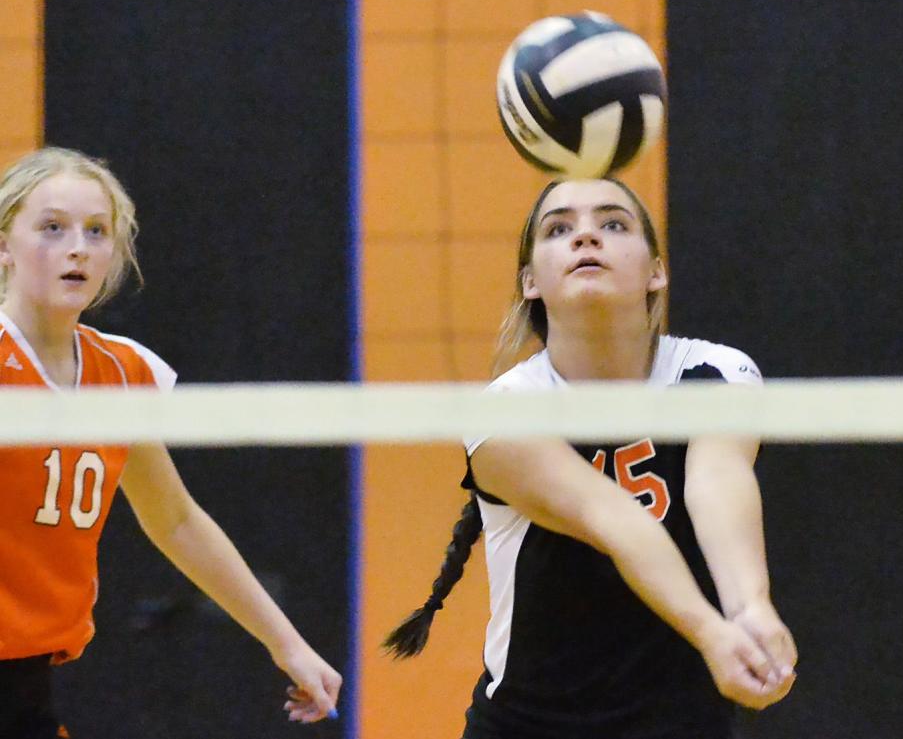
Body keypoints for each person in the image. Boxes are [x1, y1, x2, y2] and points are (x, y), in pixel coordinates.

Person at [385, 178, 797, 739]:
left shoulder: (716, 375)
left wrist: (751, 608)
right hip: (531, 728)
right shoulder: (507, 410)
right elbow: (615, 518)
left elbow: (716, 483)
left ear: (657, 271)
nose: (585, 238)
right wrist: (711, 632)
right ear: (530, 283)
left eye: (612, 224)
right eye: (559, 229)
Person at [0, 147, 341, 737]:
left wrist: (286, 644)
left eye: (97, 231)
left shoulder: (121, 373)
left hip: (27, 675)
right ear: (5, 244)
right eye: (52, 227)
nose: (77, 246)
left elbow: (176, 520)